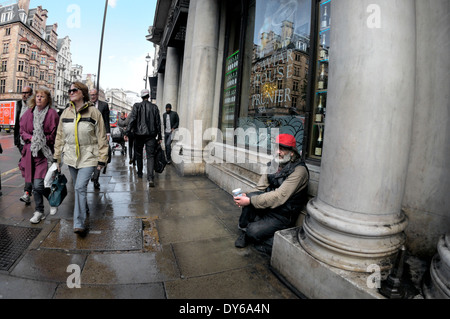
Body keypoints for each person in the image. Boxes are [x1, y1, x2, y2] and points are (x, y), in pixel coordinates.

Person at [233, 134, 309, 255]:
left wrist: (250, 201)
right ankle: (245, 231)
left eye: (282, 149)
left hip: (284, 213)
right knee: (249, 197)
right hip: (270, 207)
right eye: (277, 148)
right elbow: (260, 187)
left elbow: (279, 196)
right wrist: (244, 195)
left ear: (292, 152)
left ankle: (263, 240)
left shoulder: (299, 171)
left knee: (253, 230)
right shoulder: (274, 164)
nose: (278, 152)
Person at [53, 82, 109, 234]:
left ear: (82, 93)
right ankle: (83, 208)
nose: (70, 92)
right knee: (79, 189)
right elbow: (59, 137)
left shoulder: (93, 112)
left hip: (89, 157)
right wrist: (56, 159)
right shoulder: (65, 113)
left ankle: (79, 222)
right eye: (69, 90)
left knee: (79, 187)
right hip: (72, 158)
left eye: (74, 90)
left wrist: (102, 159)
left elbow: (102, 137)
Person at [19, 87, 60, 224]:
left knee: (38, 185)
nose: (39, 99)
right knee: (34, 184)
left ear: (47, 99)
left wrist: (41, 139)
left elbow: (54, 135)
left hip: (44, 154)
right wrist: (31, 138)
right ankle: (40, 211)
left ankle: (49, 204)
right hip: (30, 154)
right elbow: (22, 130)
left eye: (42, 97)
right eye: (37, 96)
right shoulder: (29, 113)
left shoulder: (52, 114)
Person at [124, 89, 162, 188]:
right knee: (150, 156)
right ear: (148, 96)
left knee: (139, 154)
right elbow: (158, 123)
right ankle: (150, 178)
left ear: (141, 97)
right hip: (151, 135)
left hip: (139, 135)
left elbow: (132, 120)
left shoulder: (137, 106)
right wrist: (160, 136)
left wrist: (127, 132)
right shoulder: (154, 107)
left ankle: (140, 173)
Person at [14, 86, 34, 205]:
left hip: (31, 142)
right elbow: (17, 122)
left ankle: (27, 192)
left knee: (28, 166)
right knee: (27, 167)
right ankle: (30, 189)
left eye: (27, 93)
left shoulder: (34, 105)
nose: (24, 95)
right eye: (23, 93)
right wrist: (16, 140)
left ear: (31, 93)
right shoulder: (19, 104)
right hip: (21, 142)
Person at [89, 89, 110, 189]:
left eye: (94, 95)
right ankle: (91, 174)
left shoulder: (104, 105)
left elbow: (106, 120)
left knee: (98, 156)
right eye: (91, 95)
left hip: (100, 133)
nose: (92, 96)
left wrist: (108, 133)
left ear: (97, 95)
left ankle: (96, 178)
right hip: (89, 135)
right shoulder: (86, 105)